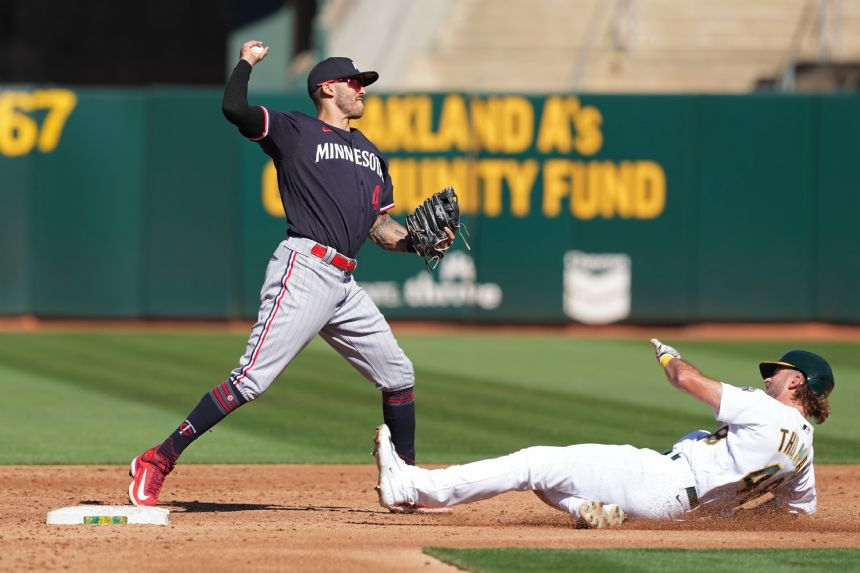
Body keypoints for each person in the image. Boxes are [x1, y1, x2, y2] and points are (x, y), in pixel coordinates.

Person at [128, 40, 453, 510]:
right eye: (354, 81)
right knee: (251, 380)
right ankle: (156, 460)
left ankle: (405, 482)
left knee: (399, 375)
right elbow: (234, 108)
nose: (362, 89)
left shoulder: (372, 154)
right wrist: (246, 61)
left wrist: (416, 242)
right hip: (305, 268)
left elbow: (380, 227)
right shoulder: (294, 130)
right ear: (326, 88)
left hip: (344, 283)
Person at [373, 339, 835, 528]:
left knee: (535, 462)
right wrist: (724, 516)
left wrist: (668, 356)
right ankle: (595, 512)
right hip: (677, 513)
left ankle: (413, 487)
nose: (770, 376)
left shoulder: (762, 407)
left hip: (660, 480)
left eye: (779, 372)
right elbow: (793, 515)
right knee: (552, 481)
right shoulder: (805, 450)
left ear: (796, 383)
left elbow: (687, 381)